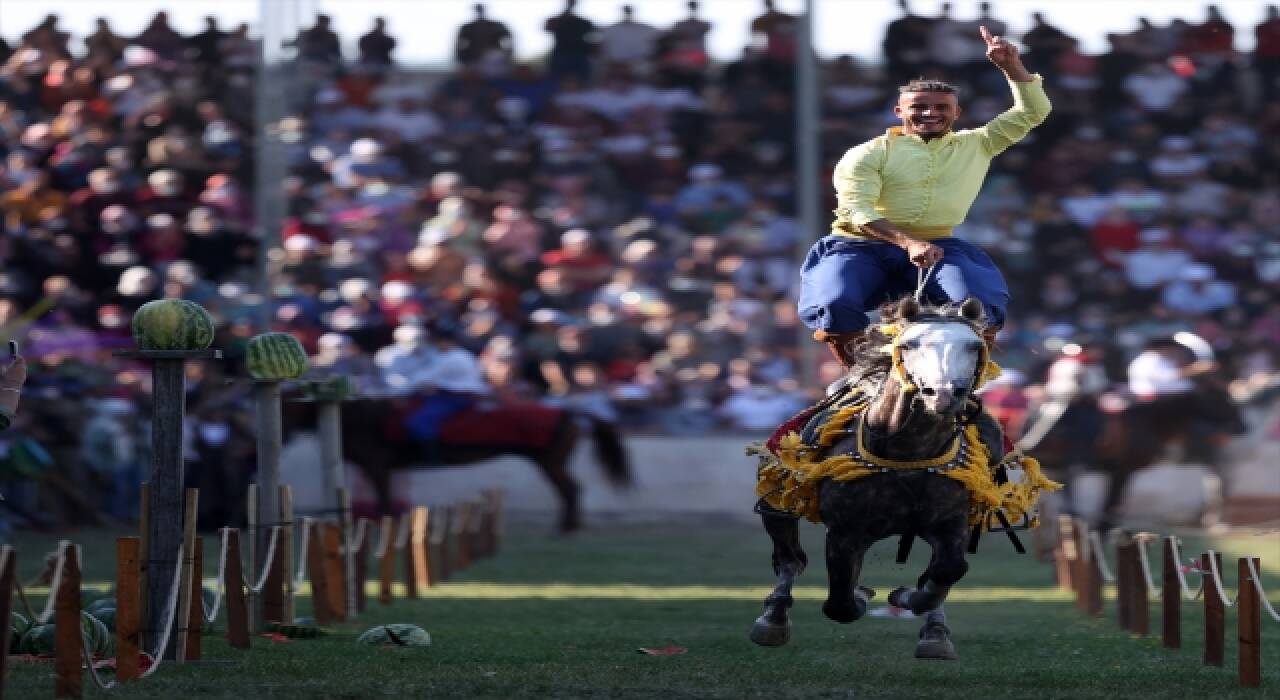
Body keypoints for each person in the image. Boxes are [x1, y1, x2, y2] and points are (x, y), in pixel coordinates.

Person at [799, 27, 1051, 367]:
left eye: (941, 107)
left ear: (957, 113)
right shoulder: (868, 153)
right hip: (858, 246)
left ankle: (965, 382)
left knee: (980, 304)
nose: (930, 113)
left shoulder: (977, 144)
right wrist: (908, 243)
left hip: (937, 245)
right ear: (899, 112)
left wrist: (1012, 68)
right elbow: (857, 209)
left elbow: (1032, 112)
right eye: (919, 106)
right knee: (833, 303)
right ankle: (864, 374)